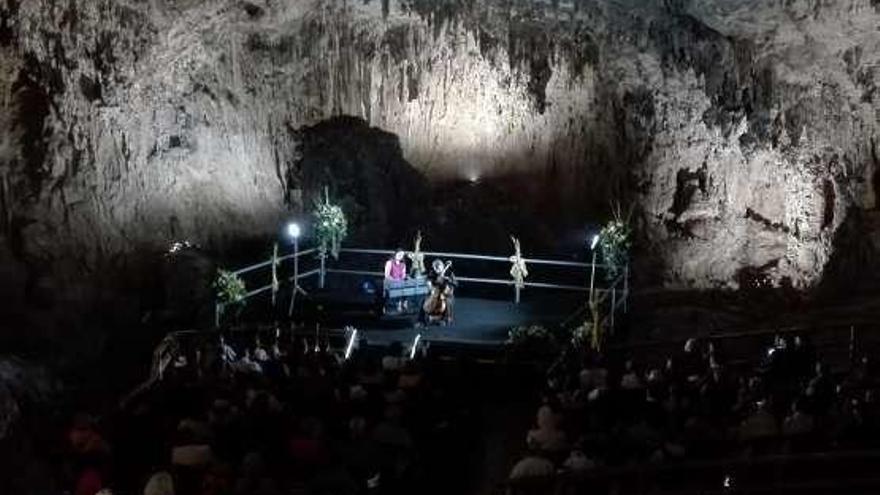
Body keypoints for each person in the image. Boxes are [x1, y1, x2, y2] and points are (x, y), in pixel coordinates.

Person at [420, 259, 455, 325]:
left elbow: (455, 283)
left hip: (446, 293)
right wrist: (429, 285)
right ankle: (421, 319)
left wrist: (447, 280)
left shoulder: (449, 273)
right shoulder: (432, 272)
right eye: (435, 268)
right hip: (435, 292)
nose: (436, 270)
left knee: (447, 301)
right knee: (424, 300)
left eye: (438, 268)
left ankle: (447, 318)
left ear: (442, 266)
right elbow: (428, 279)